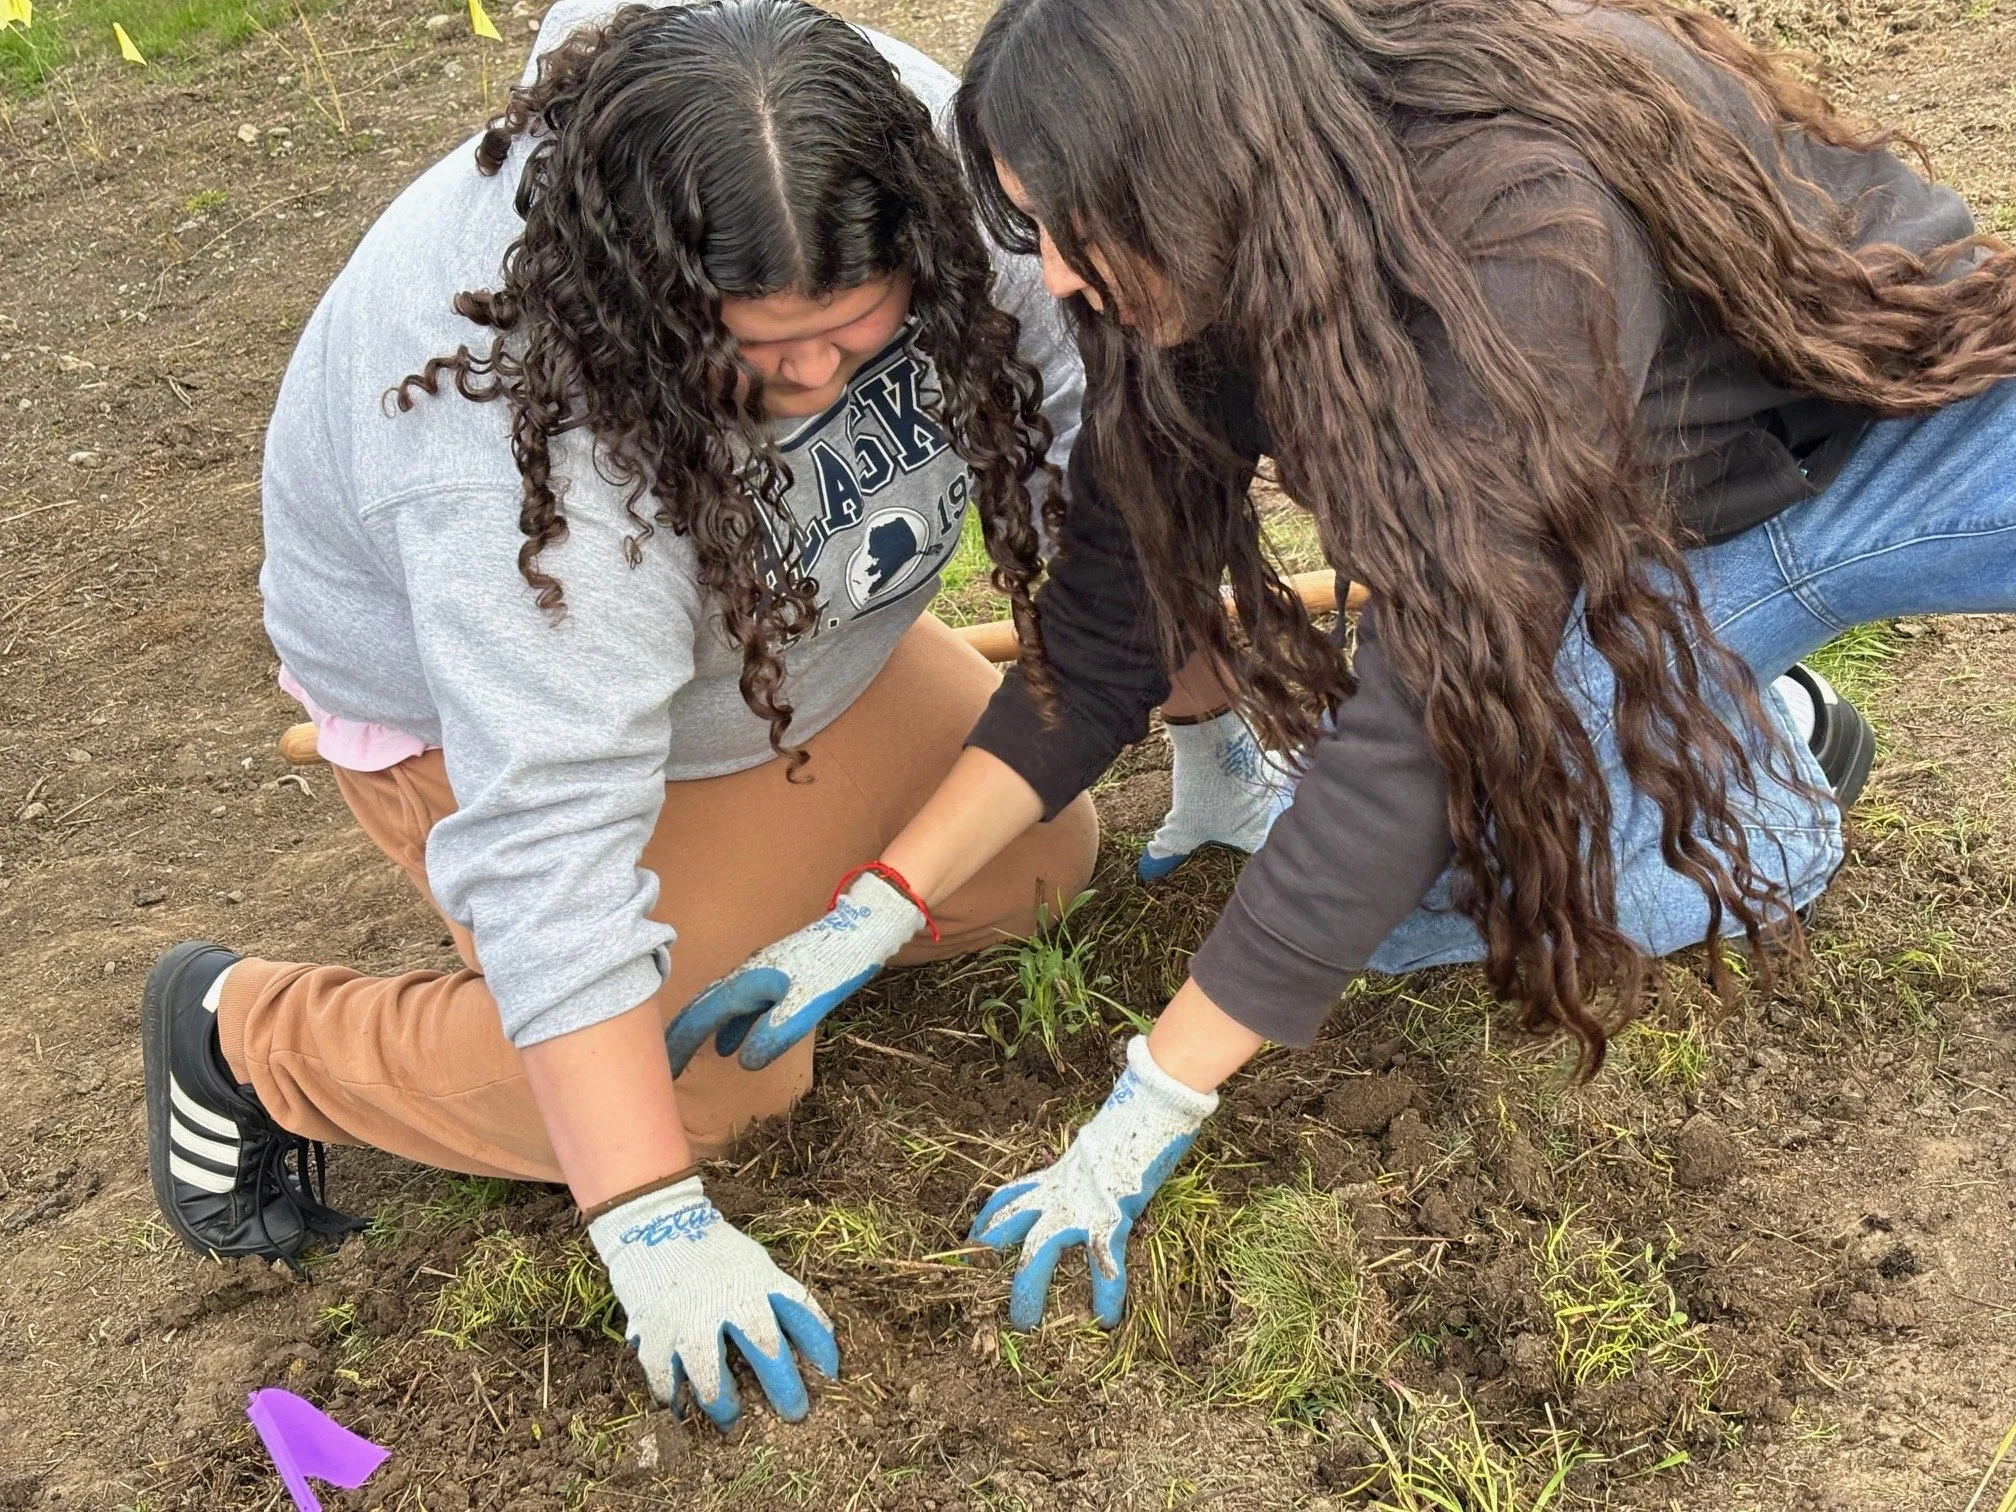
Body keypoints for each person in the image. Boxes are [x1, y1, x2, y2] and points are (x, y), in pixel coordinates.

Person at [674, 0, 2016, 1332]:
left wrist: (1154, 1099)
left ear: (1184, 162)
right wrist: (883, 901)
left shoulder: (1511, 232)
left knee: (1479, 862)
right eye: (1025, 226)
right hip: (1633, 505)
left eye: (1068, 226)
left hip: (1875, 438)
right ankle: (1706, 707)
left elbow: (1425, 717)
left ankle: (1751, 796)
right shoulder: (1210, 253)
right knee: (1400, 893)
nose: (1058, 277)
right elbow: (1108, 611)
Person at [139, 0, 1181, 1434]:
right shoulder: (505, 435)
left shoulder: (927, 166)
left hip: (803, 653)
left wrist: (1197, 698)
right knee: (704, 1093)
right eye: (766, 350)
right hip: (517, 730)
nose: (816, 378)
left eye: (850, 333)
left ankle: (762, 880)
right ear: (642, 297)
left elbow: (1091, 426)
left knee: (1035, 861)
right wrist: (649, 1224)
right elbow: (555, 841)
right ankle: (255, 1037)